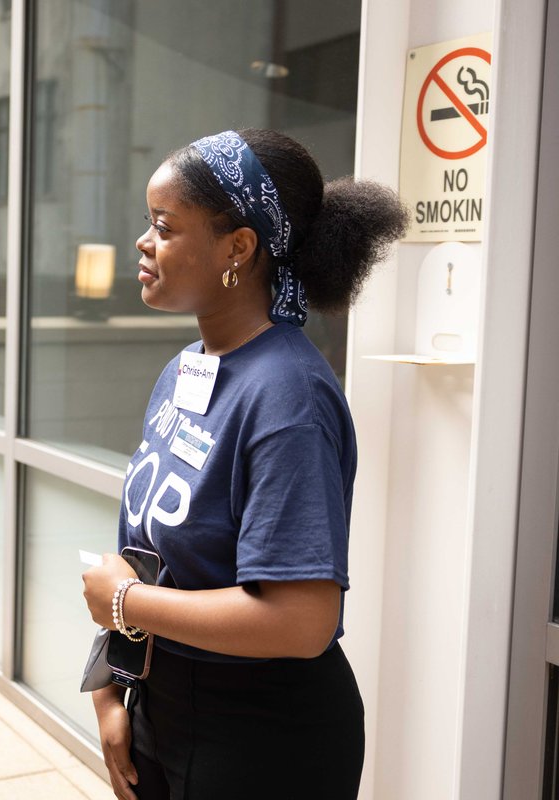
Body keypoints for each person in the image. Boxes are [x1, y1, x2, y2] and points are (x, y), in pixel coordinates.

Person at [81, 128, 407, 799]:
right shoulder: (184, 370)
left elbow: (301, 620)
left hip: (262, 741)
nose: (144, 244)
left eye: (165, 228)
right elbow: (148, 554)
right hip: (162, 710)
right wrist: (112, 689)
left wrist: (124, 604)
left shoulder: (289, 394)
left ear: (238, 248)